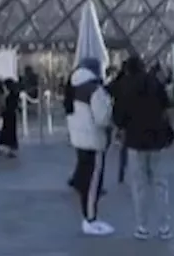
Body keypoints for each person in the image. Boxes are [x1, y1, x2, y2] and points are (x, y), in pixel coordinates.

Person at [112, 55, 174, 240]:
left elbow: (118, 117)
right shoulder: (155, 83)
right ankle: (164, 227)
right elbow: (166, 106)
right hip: (157, 139)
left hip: (135, 141)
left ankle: (142, 226)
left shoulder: (126, 87)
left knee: (139, 186)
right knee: (160, 184)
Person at [67, 57, 114, 236]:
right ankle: (91, 219)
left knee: (86, 179)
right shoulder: (94, 89)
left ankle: (88, 215)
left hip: (79, 139)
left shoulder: (72, 87)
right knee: (94, 182)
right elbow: (102, 118)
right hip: (94, 140)